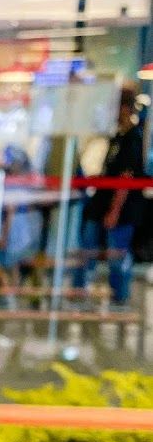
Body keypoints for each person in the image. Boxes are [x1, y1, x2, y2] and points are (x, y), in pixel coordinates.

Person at [74, 89, 145, 305]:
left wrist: (115, 210)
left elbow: (126, 178)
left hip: (120, 210)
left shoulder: (132, 139)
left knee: (117, 255)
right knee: (87, 250)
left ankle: (119, 297)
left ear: (124, 108)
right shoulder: (117, 137)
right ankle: (79, 292)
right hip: (101, 204)